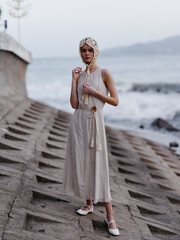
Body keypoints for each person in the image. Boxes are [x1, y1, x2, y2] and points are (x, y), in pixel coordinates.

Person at [62, 37, 119, 236]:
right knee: (82, 162)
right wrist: (74, 81)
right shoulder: (81, 74)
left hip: (95, 121)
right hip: (78, 122)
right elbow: (74, 105)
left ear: (95, 51)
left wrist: (95, 91)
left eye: (89, 50)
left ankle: (110, 216)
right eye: (83, 50)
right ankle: (88, 203)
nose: (86, 53)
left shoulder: (104, 73)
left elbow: (115, 101)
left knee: (99, 165)